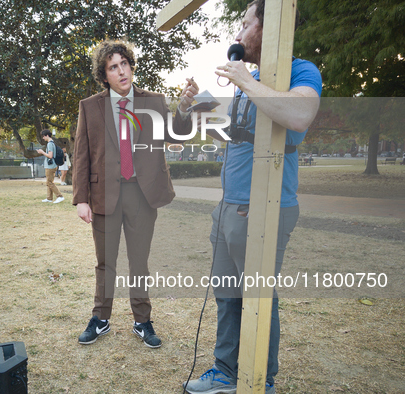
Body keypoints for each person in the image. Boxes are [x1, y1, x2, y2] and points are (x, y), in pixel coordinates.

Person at [183, 1, 322, 393]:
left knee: (258, 297)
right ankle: (225, 373)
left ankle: (262, 380)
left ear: (271, 28)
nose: (238, 34)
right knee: (227, 295)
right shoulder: (254, 80)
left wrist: (245, 80)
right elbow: (232, 135)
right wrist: (193, 109)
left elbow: (298, 117)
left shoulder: (301, 70)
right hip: (229, 205)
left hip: (266, 206)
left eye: (245, 24)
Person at [72, 39, 197, 348]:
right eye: (113, 67)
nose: (121, 71)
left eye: (124, 63)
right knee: (106, 262)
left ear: (131, 65)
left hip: (142, 195)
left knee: (139, 262)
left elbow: (174, 134)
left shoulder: (154, 101)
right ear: (104, 75)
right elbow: (81, 155)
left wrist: (183, 107)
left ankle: (142, 321)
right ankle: (100, 319)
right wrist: (81, 199)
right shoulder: (90, 107)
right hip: (104, 197)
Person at [36, 130, 64, 203]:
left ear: (47, 135)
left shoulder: (50, 144)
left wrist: (42, 152)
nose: (43, 138)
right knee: (49, 182)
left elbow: (50, 156)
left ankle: (59, 196)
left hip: (50, 166)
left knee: (49, 182)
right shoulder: (52, 143)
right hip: (51, 165)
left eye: (43, 136)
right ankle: (49, 198)